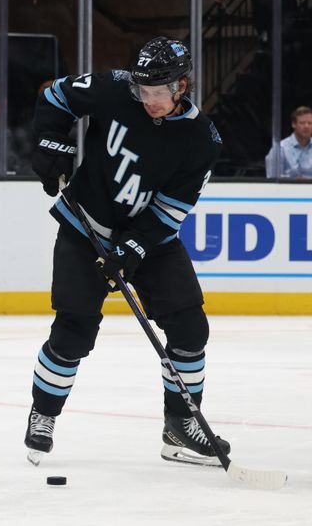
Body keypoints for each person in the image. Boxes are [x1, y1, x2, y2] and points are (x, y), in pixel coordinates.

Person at [24, 37, 231, 468]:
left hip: (153, 242)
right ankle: (43, 413)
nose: (148, 100)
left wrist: (132, 247)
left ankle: (179, 425)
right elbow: (55, 97)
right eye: (143, 91)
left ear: (182, 87)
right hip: (85, 229)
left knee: (190, 327)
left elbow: (170, 210)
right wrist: (50, 142)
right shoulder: (116, 88)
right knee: (74, 329)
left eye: (158, 93)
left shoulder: (202, 140)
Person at [264, 105, 312, 179]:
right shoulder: (279, 149)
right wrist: (293, 181)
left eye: (310, 123)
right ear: (293, 124)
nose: (306, 126)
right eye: (302, 123)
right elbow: (273, 181)